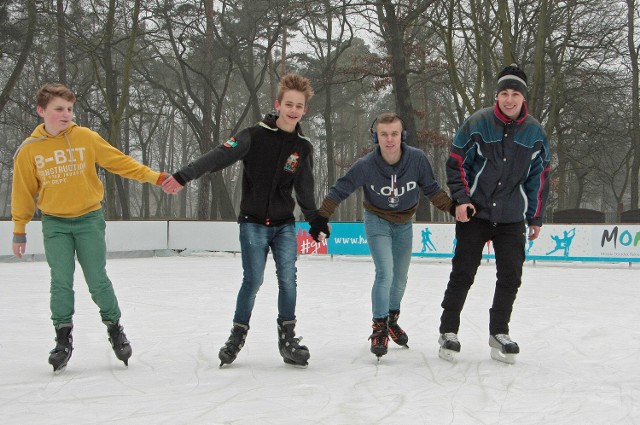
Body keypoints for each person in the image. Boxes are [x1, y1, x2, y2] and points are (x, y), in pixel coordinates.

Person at [162, 74, 319, 368]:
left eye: (299, 106)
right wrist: (184, 176)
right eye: (289, 104)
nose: (293, 110)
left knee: (288, 280)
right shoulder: (254, 135)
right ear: (278, 104)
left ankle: (287, 338)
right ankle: (238, 333)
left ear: (305, 109)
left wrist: (316, 222)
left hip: (285, 224)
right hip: (254, 222)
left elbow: (305, 190)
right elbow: (219, 156)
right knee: (254, 279)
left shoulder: (303, 146)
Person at [11, 83, 167, 372]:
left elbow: (120, 163)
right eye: (59, 109)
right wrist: (19, 229)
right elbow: (22, 191)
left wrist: (155, 177)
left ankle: (114, 327)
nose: (66, 115)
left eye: (70, 109)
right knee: (61, 280)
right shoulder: (29, 150)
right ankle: (63, 338)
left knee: (96, 278)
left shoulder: (85, 138)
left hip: (88, 220)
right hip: (55, 223)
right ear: (41, 111)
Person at [308, 112, 455, 360]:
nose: (389, 139)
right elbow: (341, 188)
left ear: (402, 136)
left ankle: (391, 319)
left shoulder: (417, 160)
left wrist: (453, 209)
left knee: (400, 277)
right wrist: (321, 217)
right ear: (376, 136)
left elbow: (431, 189)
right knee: (385, 272)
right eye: (384, 134)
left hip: (405, 222)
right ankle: (379, 328)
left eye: (394, 134)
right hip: (376, 220)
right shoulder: (366, 165)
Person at [437, 63, 551, 364]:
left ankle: (499, 331)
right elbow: (456, 163)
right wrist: (461, 200)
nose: (509, 99)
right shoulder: (477, 123)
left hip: (512, 215)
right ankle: (448, 330)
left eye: (515, 94)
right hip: (476, 212)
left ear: (523, 98)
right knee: (463, 272)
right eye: (504, 93)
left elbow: (539, 177)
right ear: (496, 95)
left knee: (511, 275)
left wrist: (535, 216)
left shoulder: (535, 133)